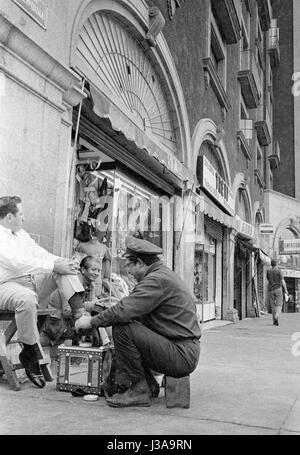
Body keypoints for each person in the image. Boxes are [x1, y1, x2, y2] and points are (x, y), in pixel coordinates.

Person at [75, 236, 201, 408]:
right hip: (181, 349)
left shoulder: (155, 280)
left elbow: (123, 312)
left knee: (122, 328)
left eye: (129, 266)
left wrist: (90, 322)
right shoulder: (161, 275)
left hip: (181, 354)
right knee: (126, 326)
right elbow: (131, 309)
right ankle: (147, 386)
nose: (129, 272)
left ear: (140, 263)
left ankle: (138, 391)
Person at [0, 196, 86, 388]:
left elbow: (42, 254)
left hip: (29, 282)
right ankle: (29, 352)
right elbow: (17, 262)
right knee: (27, 298)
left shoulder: (21, 234)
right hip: (5, 286)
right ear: (9, 217)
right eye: (21, 214)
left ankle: (80, 315)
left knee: (63, 269)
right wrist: (53, 265)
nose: (24, 218)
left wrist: (63, 262)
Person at [46, 255, 111, 347]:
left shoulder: (90, 284)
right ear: (83, 270)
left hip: (68, 321)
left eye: (98, 270)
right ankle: (104, 347)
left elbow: (88, 305)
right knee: (95, 322)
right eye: (93, 269)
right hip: (57, 324)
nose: (96, 273)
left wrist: (92, 305)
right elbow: (67, 312)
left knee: (98, 318)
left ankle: (104, 348)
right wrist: (86, 307)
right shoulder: (71, 283)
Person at [266, 258, 288, 326]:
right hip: (278, 289)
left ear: (271, 264)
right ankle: (276, 316)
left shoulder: (268, 271)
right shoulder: (279, 271)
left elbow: (268, 279)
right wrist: (286, 290)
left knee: (273, 306)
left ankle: (274, 321)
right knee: (279, 304)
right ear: (277, 264)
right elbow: (282, 281)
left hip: (270, 289)